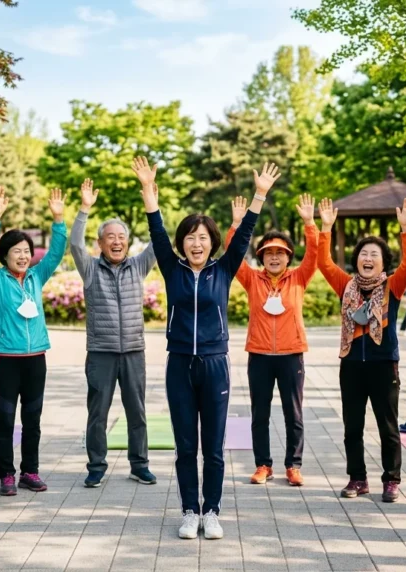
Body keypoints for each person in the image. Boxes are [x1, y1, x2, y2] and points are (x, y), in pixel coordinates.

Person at [142, 156, 277, 541]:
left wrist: (259, 196)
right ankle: (189, 511)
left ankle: (212, 511)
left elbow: (247, 232)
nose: (196, 243)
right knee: (186, 447)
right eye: (190, 237)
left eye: (203, 237)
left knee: (213, 448)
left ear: (212, 242)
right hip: (179, 364)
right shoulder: (172, 268)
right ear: (183, 244)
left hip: (215, 363)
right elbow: (157, 231)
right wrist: (149, 191)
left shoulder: (224, 268)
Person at [318, 197, 406, 502]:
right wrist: (325, 227)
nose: (368, 257)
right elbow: (323, 263)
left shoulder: (394, 286)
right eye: (363, 253)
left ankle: (391, 480)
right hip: (351, 365)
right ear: (357, 259)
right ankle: (357, 479)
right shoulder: (345, 285)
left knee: (388, 427)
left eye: (374, 253)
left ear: (383, 262)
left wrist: (405, 228)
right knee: (352, 428)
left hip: (383, 363)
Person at [225, 194, 318, 487]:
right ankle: (263, 465)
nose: (274, 257)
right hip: (260, 356)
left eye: (279, 253)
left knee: (294, 414)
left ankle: (294, 465)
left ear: (288, 256)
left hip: (292, 355)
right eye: (268, 253)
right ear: (262, 257)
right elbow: (233, 254)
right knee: (259, 415)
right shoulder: (252, 279)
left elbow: (315, 255)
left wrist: (309, 223)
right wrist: (236, 225)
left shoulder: (299, 278)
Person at [0, 185, 68, 495]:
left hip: (36, 359)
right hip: (5, 359)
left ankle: (30, 471)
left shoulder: (36, 277)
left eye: (26, 251)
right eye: (16, 250)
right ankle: (6, 474)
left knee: (33, 419)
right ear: (5, 255)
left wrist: (58, 219)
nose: (23, 255)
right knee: (5, 418)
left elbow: (56, 252)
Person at [72, 178, 157, 488]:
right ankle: (96, 466)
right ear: (101, 243)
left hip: (134, 351)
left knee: (137, 412)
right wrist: (84, 209)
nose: (117, 241)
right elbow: (74, 245)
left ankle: (140, 464)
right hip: (101, 353)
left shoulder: (139, 266)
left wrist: (152, 205)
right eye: (110, 237)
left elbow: (159, 242)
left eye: (121, 236)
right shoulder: (90, 268)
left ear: (127, 241)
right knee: (98, 414)